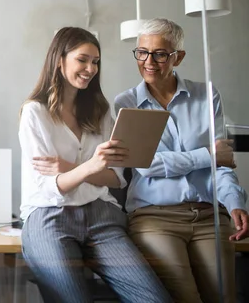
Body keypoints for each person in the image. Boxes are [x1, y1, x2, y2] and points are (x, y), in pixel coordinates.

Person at [19, 27, 170, 303]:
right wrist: (90, 168)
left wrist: (69, 168)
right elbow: (49, 189)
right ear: (59, 59)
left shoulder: (101, 112)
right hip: (50, 217)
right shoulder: (35, 113)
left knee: (155, 299)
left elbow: (117, 179)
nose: (91, 68)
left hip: (102, 216)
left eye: (96, 62)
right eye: (83, 59)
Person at [114, 18, 248, 303]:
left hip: (209, 214)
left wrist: (235, 201)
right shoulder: (125, 103)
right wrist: (207, 155)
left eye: (160, 54)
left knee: (224, 298)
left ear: (178, 57)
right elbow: (146, 164)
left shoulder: (206, 96)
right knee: (186, 298)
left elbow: (221, 164)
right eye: (142, 52)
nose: (149, 61)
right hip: (154, 217)